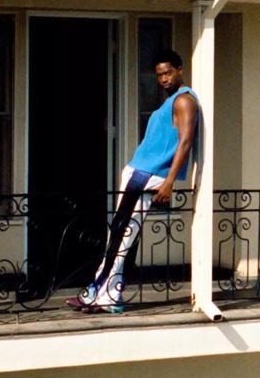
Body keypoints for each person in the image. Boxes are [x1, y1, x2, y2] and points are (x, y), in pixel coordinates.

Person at [67, 50, 199, 312]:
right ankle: (108, 293)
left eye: (168, 72)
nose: (163, 79)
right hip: (144, 173)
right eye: (159, 75)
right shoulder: (174, 100)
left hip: (146, 175)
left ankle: (98, 292)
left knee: (119, 234)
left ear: (180, 70)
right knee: (125, 235)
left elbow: (185, 141)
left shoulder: (184, 100)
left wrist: (170, 181)